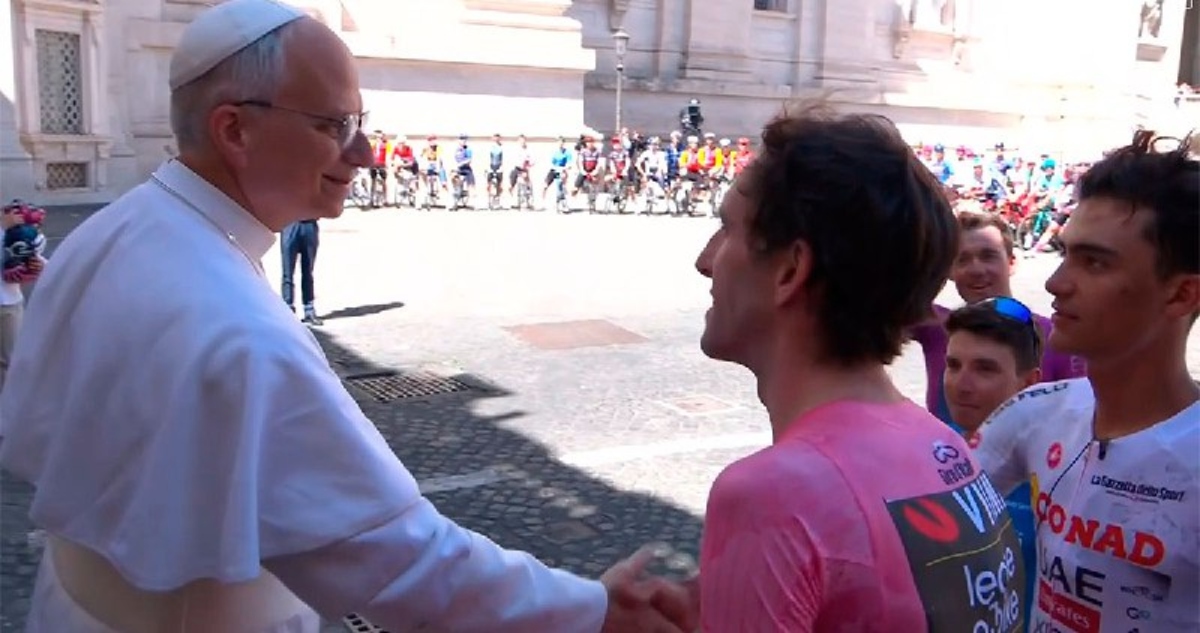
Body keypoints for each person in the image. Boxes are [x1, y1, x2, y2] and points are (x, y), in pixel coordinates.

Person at [0, 2, 696, 631]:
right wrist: (591, 611)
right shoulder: (247, 336)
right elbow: (403, 560)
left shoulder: (104, 232)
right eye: (337, 125)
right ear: (235, 129)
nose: (362, 153)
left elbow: (34, 430)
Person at [692, 103, 1025, 630]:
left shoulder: (770, 496)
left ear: (790, 270)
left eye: (726, 228)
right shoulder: (943, 444)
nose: (705, 260)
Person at [974, 130, 1199, 632]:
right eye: (1064, 253)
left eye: (1094, 262)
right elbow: (926, 519)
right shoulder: (1034, 412)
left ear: (1182, 294)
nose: (1055, 284)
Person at [911, 210, 1086, 426]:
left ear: (1012, 262)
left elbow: (1079, 425)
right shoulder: (937, 327)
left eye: (988, 256)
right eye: (962, 260)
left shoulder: (1057, 338)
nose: (976, 269)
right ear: (949, 271)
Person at [943, 297, 1044, 622]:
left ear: (1029, 383)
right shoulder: (922, 447)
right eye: (953, 365)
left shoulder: (1055, 465)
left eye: (985, 369)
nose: (962, 384)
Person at [280, 218, 321, 325]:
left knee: (308, 271)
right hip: (289, 223)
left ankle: (309, 310)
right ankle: (287, 309)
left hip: (309, 224)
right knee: (287, 272)